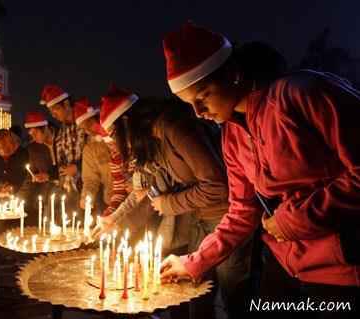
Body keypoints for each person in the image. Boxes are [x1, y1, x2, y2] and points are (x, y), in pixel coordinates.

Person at [160, 22, 360, 318]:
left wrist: (294, 220)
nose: (198, 113)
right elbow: (242, 211)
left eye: (202, 97)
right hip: (283, 270)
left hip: (341, 275)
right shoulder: (232, 136)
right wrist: (194, 262)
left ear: (233, 74)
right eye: (190, 104)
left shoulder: (301, 95)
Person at [97, 86, 251, 318]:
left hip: (228, 220)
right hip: (200, 221)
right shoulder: (156, 139)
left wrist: (168, 204)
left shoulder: (174, 128)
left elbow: (218, 187)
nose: (125, 146)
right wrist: (114, 220)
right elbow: (150, 191)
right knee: (196, 295)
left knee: (234, 298)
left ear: (127, 123)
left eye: (119, 137)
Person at [39, 85, 87, 203]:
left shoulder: (85, 124)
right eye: (51, 112)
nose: (53, 115)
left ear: (66, 104)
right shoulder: (60, 133)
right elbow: (61, 166)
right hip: (68, 192)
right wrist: (49, 175)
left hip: (87, 189)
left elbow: (97, 155)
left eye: (56, 109)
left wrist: (78, 167)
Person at [20, 111, 58, 226]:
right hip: (48, 195)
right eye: (31, 135)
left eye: (36, 133)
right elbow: (30, 175)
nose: (34, 137)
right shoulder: (33, 149)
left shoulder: (62, 138)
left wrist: (50, 175)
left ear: (45, 128)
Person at [0, 129, 30, 196]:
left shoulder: (23, 155)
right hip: (3, 194)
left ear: (9, 144)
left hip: (21, 196)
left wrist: (12, 188)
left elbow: (25, 178)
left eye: (0, 147)